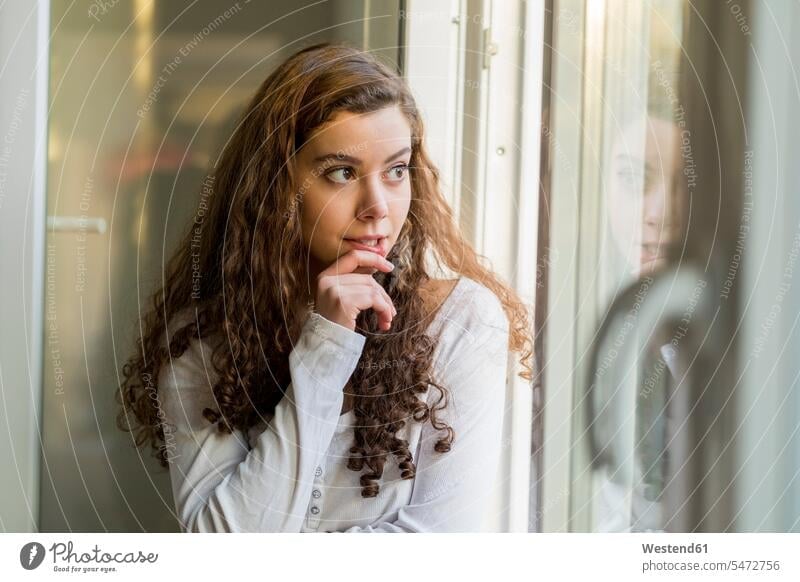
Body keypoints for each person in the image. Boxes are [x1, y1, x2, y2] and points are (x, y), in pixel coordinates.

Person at [116, 43, 533, 533]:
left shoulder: (462, 323)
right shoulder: (203, 342)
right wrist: (323, 351)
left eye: (397, 170)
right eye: (341, 172)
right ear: (274, 188)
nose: (378, 205)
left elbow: (440, 546)